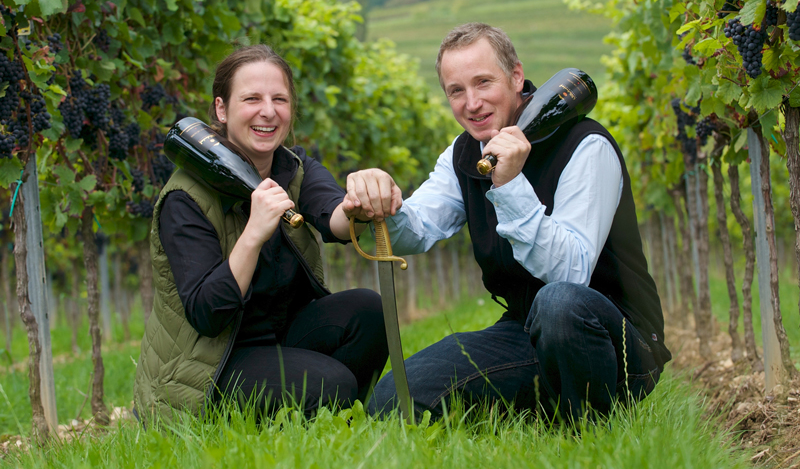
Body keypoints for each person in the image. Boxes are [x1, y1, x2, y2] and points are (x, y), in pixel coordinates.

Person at [344, 23, 671, 422]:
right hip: (526, 330)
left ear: (516, 77)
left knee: (558, 303)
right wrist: (379, 204)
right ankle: (539, 406)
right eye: (456, 91)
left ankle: (591, 428)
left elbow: (570, 271)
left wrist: (511, 184)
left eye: (484, 83)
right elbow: (417, 228)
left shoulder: (586, 145)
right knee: (394, 400)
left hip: (615, 341)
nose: (472, 103)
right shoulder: (464, 153)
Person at [133, 44, 388, 424]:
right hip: (209, 365)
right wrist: (253, 231)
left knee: (369, 310)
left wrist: (358, 203)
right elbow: (208, 314)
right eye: (252, 98)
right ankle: (323, 408)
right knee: (331, 384)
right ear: (222, 109)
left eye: (279, 99)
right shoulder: (186, 197)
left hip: (275, 341)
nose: (268, 111)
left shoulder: (293, 167)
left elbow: (333, 215)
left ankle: (331, 420)